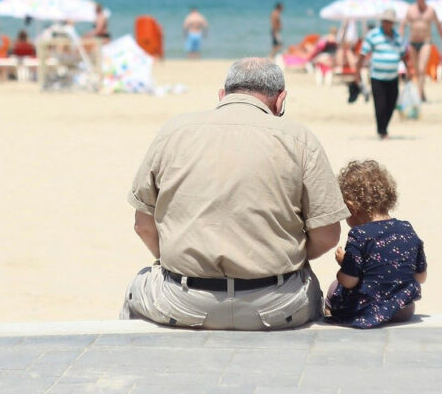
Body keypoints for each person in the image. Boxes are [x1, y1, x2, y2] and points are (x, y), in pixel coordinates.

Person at [121, 58, 349, 331]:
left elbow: (143, 225)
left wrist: (179, 260)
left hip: (183, 301)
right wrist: (287, 257)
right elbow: (327, 235)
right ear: (280, 100)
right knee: (313, 290)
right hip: (277, 304)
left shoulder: (174, 131)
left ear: (222, 95)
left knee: (137, 287)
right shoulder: (300, 139)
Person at [325, 160, 426, 329]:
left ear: (351, 207)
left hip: (369, 308)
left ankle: (331, 314)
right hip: (404, 309)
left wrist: (345, 264)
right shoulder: (407, 229)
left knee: (334, 288)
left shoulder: (359, 234)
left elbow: (349, 281)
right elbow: (420, 277)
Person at [355, 10, 404, 139]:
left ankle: (383, 128)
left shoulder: (397, 37)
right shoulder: (373, 35)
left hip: (393, 77)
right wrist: (357, 73)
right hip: (377, 77)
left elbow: (404, 55)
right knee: (380, 105)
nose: (387, 24)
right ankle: (382, 131)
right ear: (382, 22)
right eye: (385, 21)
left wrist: (409, 70)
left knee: (391, 104)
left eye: (389, 22)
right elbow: (362, 54)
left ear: (393, 23)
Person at [399, 0, 442, 101]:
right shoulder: (411, 10)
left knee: (422, 68)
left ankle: (419, 94)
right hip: (412, 42)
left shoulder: (431, 11)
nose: (420, 0)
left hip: (426, 42)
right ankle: (422, 92)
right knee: (416, 70)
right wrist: (400, 40)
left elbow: (439, 26)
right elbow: (402, 25)